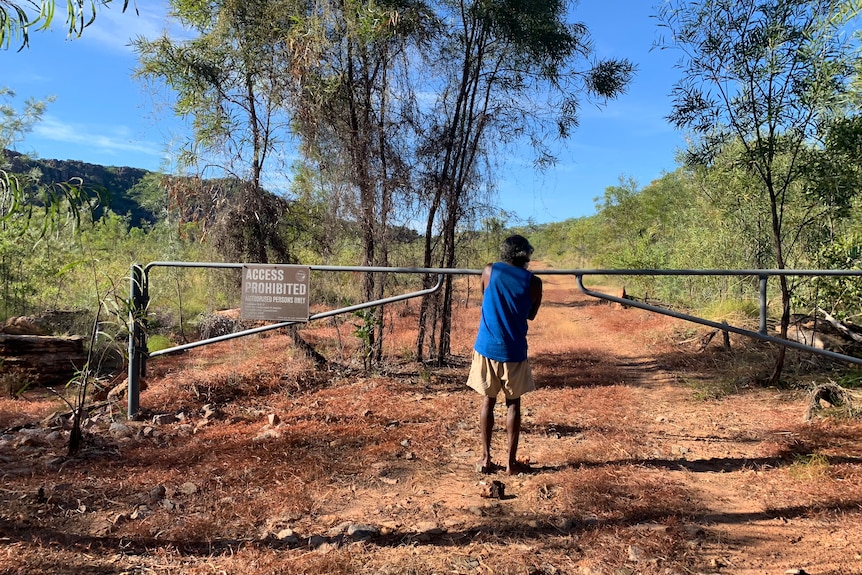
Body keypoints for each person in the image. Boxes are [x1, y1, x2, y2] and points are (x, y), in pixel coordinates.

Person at [467, 234, 543, 475]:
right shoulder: (534, 282)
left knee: (487, 401)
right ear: (526, 255)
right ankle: (511, 464)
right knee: (513, 404)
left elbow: (485, 297)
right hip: (514, 351)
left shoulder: (489, 271)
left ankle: (486, 458)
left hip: (487, 348)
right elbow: (531, 314)